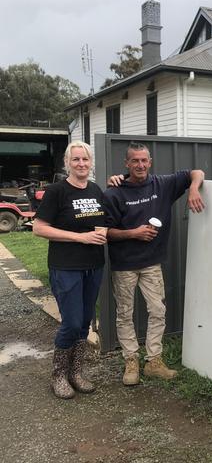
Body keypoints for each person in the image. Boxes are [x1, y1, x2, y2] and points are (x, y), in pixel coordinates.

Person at [103, 142, 205, 386]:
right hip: (124, 264)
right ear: (126, 164)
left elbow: (197, 172)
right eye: (135, 161)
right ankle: (131, 362)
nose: (140, 165)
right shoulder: (113, 193)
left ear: (150, 162)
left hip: (151, 263)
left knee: (157, 310)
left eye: (144, 160)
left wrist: (193, 189)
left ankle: (154, 362)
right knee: (124, 314)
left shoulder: (163, 184)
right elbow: (105, 232)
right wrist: (133, 233)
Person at [33, 141, 107, 399]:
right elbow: (39, 228)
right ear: (67, 163)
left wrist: (101, 233)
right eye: (75, 160)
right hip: (66, 267)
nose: (81, 164)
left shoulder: (97, 190)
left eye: (85, 160)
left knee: (85, 322)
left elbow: (101, 222)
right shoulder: (57, 191)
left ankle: (76, 373)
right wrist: (80, 238)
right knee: (72, 322)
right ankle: (59, 375)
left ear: (91, 162)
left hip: (93, 266)